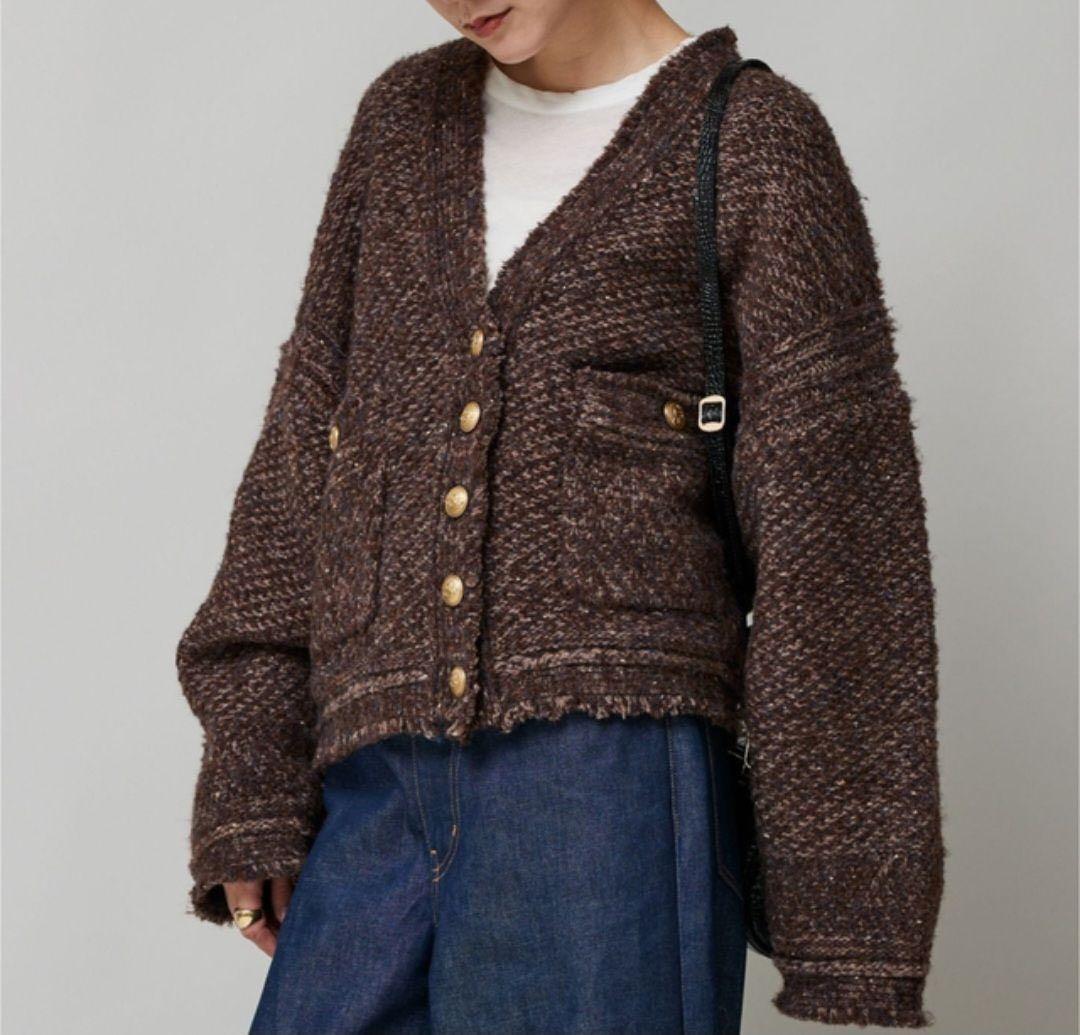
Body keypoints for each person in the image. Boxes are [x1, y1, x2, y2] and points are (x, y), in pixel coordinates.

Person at [174, 1, 945, 1032]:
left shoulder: (754, 141)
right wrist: (252, 782)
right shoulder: (402, 123)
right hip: (375, 783)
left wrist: (849, 916)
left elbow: (839, 543)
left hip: (604, 789)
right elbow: (301, 455)